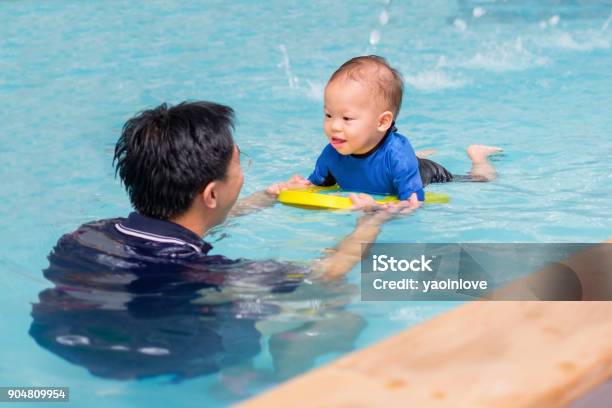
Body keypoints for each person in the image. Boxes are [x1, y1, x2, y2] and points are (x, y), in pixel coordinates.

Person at [30, 101, 410, 382]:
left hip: (62, 339)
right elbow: (329, 271)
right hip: (168, 361)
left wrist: (266, 198)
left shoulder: (85, 235)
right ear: (211, 194)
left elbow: (184, 228)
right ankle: (263, 373)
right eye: (239, 164)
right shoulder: (218, 276)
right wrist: (369, 224)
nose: (242, 175)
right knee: (337, 302)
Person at [267, 55, 503, 210]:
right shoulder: (332, 152)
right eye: (328, 115)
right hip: (392, 160)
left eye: (347, 118)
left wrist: (377, 208)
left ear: (382, 122)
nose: (334, 126)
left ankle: (478, 157)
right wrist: (292, 186)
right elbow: (318, 185)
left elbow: (413, 204)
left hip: (426, 173)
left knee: (480, 181)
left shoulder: (398, 156)